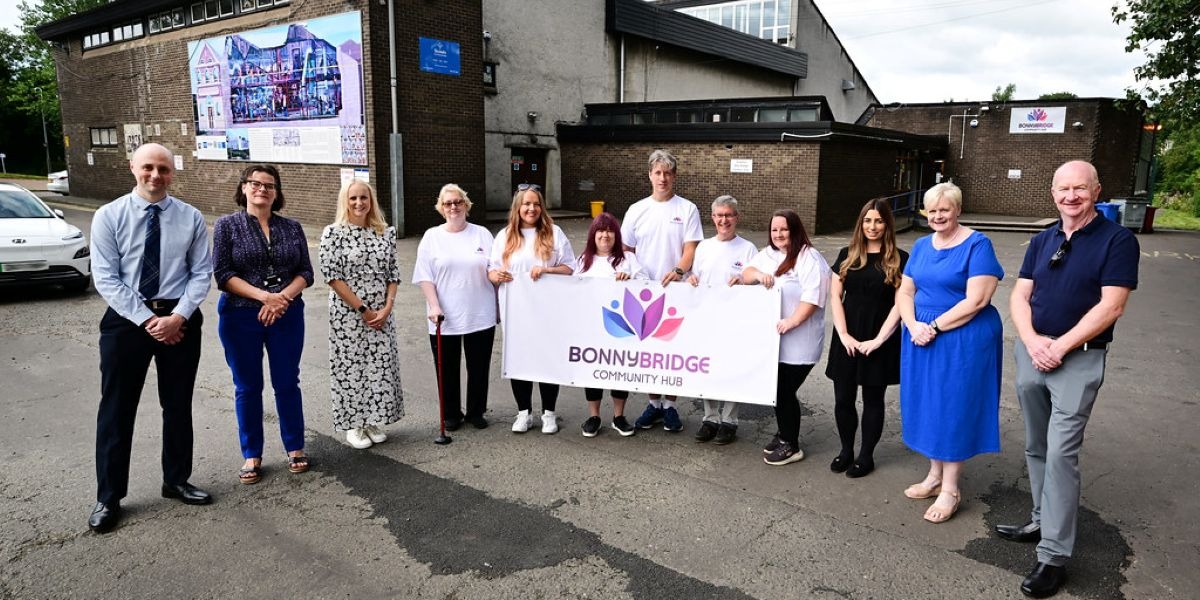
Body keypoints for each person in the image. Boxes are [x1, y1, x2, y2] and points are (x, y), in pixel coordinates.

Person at [999, 161, 1139, 599]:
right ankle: (1042, 519)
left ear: (1097, 191)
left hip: (1076, 359)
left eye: (1080, 188)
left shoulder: (1118, 240)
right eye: (1063, 188)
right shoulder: (1042, 240)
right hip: (1032, 352)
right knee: (1036, 447)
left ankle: (1053, 557)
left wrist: (1057, 347)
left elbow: (1111, 306)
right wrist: (1032, 340)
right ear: (1053, 193)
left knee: (1061, 454)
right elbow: (1020, 295)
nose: (1071, 196)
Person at [88, 143, 213, 534]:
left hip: (180, 318)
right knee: (117, 409)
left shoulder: (191, 218)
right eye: (148, 168)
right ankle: (109, 497)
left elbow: (201, 272)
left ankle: (175, 480)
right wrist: (147, 320)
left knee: (177, 404)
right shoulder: (108, 216)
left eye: (163, 169)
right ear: (133, 168)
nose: (155, 175)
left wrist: (177, 317)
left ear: (173, 173)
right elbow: (106, 277)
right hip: (128, 320)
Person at [896, 182, 1004, 524]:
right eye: (932, 210)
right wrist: (913, 324)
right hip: (920, 335)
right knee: (929, 403)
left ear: (957, 210)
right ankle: (934, 475)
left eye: (945, 209)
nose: (938, 216)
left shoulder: (977, 244)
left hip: (961, 337)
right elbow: (906, 290)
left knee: (953, 406)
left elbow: (977, 301)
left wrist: (934, 327)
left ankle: (951, 488)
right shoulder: (922, 244)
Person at [212, 165, 314, 485]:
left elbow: (306, 273)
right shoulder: (227, 226)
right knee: (248, 386)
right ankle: (252, 453)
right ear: (243, 188)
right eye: (255, 183)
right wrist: (264, 298)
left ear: (277, 192)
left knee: (287, 383)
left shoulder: (292, 227)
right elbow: (223, 275)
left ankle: (294, 447)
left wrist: (281, 298)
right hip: (241, 317)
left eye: (269, 185)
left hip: (286, 314)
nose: (262, 189)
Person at [620, 149, 704, 432]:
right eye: (658, 172)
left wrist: (679, 271)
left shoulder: (687, 209)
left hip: (677, 290)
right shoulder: (636, 210)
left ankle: (669, 405)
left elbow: (690, 248)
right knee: (648, 352)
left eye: (668, 172)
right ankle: (653, 403)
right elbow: (627, 250)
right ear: (650, 175)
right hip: (644, 292)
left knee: (673, 351)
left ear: (674, 176)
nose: (663, 177)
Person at [825, 198, 908, 478]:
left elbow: (900, 304)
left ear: (888, 224)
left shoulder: (899, 258)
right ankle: (846, 450)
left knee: (873, 399)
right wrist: (844, 334)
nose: (873, 226)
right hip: (846, 337)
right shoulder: (846, 254)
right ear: (861, 223)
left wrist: (879, 340)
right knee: (843, 399)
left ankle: (865, 456)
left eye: (879, 221)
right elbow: (835, 297)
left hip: (879, 338)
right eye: (868, 220)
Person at [742, 209, 831, 466]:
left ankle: (791, 445)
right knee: (776, 389)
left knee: (783, 391)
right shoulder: (769, 255)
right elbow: (747, 273)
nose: (779, 234)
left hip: (799, 341)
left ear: (795, 229)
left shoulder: (809, 258)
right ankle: (784, 434)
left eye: (784, 229)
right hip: (775, 342)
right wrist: (759, 275)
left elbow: (813, 297)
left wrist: (792, 321)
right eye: (774, 230)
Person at [318, 179, 403, 449]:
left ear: (371, 201)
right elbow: (332, 276)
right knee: (351, 367)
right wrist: (363, 309)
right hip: (348, 313)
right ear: (345, 201)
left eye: (363, 198)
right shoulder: (333, 233)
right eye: (353, 198)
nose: (358, 203)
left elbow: (393, 274)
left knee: (379, 365)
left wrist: (386, 308)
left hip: (381, 312)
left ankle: (372, 419)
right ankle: (354, 424)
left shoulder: (385, 232)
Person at [489, 184, 576, 434]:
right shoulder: (505, 236)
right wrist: (497, 275)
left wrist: (547, 269)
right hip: (516, 311)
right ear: (518, 207)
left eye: (536, 204)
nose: (531, 208)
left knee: (547, 359)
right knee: (520, 360)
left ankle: (549, 413)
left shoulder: (554, 233)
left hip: (548, 311)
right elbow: (491, 269)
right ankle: (523, 413)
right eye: (526, 204)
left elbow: (570, 268)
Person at [412, 184, 497, 431]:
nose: (453, 207)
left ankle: (476, 411)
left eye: (458, 202)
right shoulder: (432, 237)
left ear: (466, 205)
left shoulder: (482, 234)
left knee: (479, 365)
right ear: (441, 207)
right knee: (447, 368)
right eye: (448, 203)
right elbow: (425, 275)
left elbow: (493, 267)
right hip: (443, 315)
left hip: (480, 312)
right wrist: (434, 305)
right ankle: (450, 413)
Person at [687, 195, 758, 445]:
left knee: (731, 368)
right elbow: (695, 277)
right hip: (706, 319)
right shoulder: (704, 247)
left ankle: (730, 421)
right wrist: (691, 280)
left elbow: (755, 282)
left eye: (728, 215)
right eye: (719, 215)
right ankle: (710, 418)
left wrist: (745, 281)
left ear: (736, 218)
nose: (724, 220)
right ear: (713, 217)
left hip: (734, 321)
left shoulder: (748, 249)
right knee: (707, 368)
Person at [574, 212, 647, 437]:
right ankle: (594, 416)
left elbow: (647, 284)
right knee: (593, 370)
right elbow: (571, 291)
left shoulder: (628, 260)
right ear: (592, 235)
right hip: (591, 327)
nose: (605, 235)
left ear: (616, 235)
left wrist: (631, 280)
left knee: (619, 370)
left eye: (610, 231)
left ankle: (618, 416)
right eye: (600, 230)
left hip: (621, 327)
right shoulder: (583, 261)